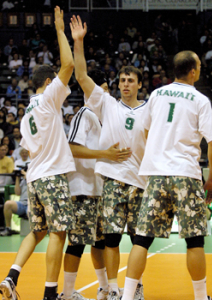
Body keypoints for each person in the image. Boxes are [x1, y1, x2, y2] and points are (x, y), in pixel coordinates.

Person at [121, 51, 212, 300]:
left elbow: (146, 131)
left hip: (157, 174)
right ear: (193, 70)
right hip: (185, 174)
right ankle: (201, 297)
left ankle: (127, 297)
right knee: (194, 241)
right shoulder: (200, 99)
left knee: (142, 239)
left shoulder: (157, 95)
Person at [0, 6, 76, 300]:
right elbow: (68, 65)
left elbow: (27, 148)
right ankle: (50, 293)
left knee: (38, 230)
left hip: (34, 178)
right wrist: (60, 30)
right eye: (55, 80)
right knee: (58, 232)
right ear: (48, 82)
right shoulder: (47, 99)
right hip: (52, 176)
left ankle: (11, 277)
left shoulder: (26, 112)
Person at [70, 15, 148, 300]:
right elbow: (81, 76)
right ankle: (114, 291)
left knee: (140, 241)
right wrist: (78, 42)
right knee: (111, 240)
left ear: (140, 84)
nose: (125, 84)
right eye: (122, 80)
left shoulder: (149, 110)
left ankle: (134, 288)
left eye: (131, 80)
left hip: (140, 183)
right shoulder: (107, 104)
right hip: (113, 181)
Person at [59, 72, 131, 300]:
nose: (104, 94)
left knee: (99, 243)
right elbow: (73, 147)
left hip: (98, 190)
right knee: (77, 243)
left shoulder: (103, 119)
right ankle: (67, 293)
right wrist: (106, 154)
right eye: (100, 89)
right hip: (81, 188)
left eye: (106, 91)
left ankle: (105, 289)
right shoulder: (85, 113)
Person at [0, 168, 28, 237]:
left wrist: (28, 177)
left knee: (30, 211)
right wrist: (17, 179)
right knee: (8, 204)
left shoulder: (35, 179)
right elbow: (17, 193)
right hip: (22, 204)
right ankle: (8, 229)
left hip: (32, 204)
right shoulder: (23, 181)